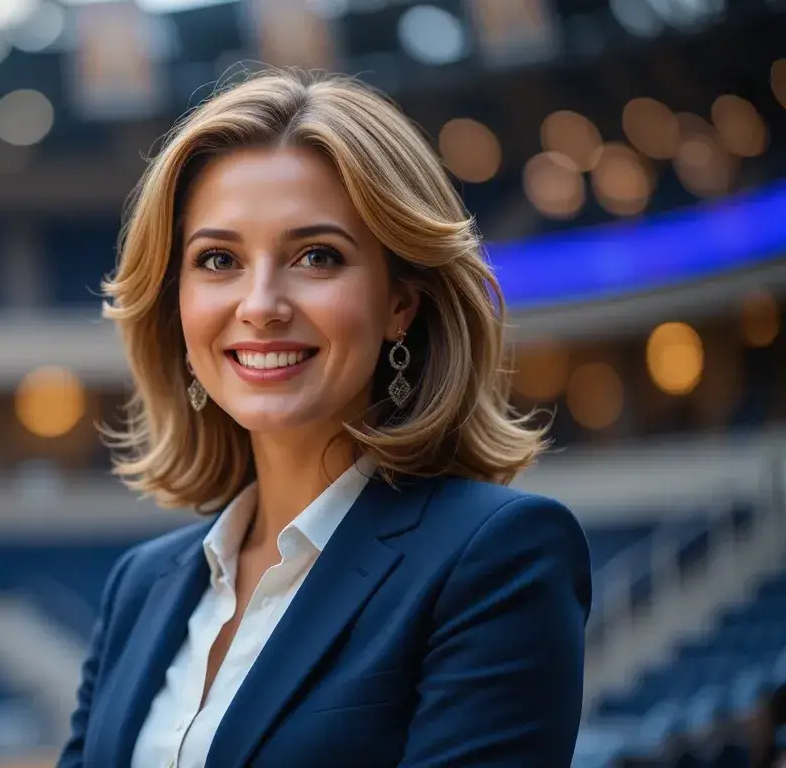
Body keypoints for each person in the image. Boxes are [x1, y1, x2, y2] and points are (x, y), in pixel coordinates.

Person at [56, 70, 592, 768]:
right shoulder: (139, 585)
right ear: (176, 304)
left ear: (401, 302)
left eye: (317, 256)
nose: (261, 304)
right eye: (218, 259)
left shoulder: (500, 557)